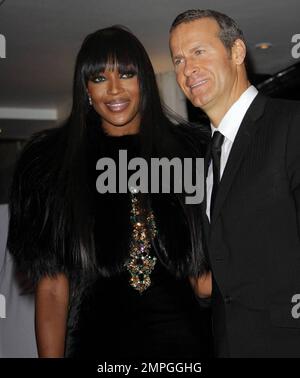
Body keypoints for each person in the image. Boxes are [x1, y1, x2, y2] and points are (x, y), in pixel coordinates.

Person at [7, 26, 213, 359]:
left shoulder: (190, 153)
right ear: (86, 89)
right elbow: (53, 289)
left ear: (143, 81)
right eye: (100, 78)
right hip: (96, 342)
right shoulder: (54, 166)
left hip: (184, 345)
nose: (114, 90)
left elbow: (202, 278)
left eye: (126, 75)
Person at [169, 9, 300, 357]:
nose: (187, 68)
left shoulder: (292, 124)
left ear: (237, 52)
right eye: (178, 59)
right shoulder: (202, 158)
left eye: (199, 51)